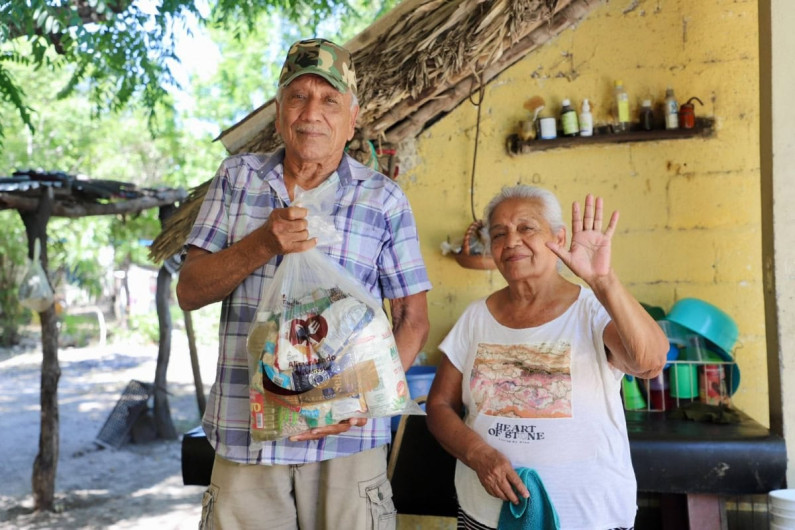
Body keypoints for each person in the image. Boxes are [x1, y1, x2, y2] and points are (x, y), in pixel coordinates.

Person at [176, 38, 431, 530]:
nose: (312, 112)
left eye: (329, 99)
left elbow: (412, 318)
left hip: (347, 440)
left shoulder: (383, 199)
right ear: (279, 112)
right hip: (245, 434)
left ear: (351, 119)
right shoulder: (237, 178)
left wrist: (359, 404)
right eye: (298, 97)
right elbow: (189, 291)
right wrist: (262, 244)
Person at [426, 185, 668, 529]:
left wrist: (603, 281)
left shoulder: (593, 310)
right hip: (486, 514)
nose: (511, 241)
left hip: (585, 516)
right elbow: (438, 407)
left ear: (559, 237)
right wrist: (478, 456)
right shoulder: (475, 318)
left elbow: (651, 362)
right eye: (499, 233)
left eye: (526, 228)